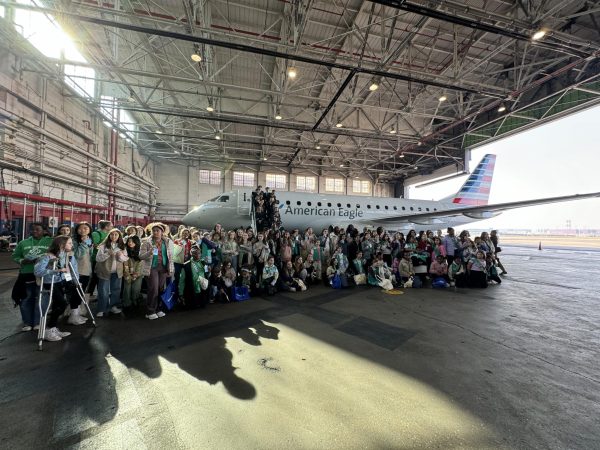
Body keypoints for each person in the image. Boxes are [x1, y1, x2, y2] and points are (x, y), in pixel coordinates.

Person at [33, 235, 78, 341]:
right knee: (62, 304)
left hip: (59, 282)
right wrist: (56, 271)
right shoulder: (47, 256)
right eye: (69, 243)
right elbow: (38, 271)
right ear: (61, 244)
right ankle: (48, 329)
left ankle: (53, 328)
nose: (72, 245)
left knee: (59, 304)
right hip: (50, 282)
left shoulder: (64, 255)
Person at [12, 223, 53, 332]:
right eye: (32, 230)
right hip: (26, 274)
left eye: (37, 229)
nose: (34, 231)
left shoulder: (51, 241)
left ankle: (37, 322)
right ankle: (27, 322)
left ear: (44, 231)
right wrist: (22, 261)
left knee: (41, 299)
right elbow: (15, 256)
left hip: (43, 275)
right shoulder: (23, 243)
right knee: (26, 298)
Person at [95, 228, 128, 317]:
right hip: (104, 271)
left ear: (119, 236)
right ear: (109, 236)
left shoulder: (122, 246)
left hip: (117, 272)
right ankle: (102, 309)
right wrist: (108, 254)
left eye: (116, 235)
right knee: (103, 290)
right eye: (112, 234)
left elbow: (125, 258)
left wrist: (120, 256)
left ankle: (113, 306)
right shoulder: (103, 246)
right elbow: (98, 258)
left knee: (116, 289)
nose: (113, 236)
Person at [70, 222, 94, 324]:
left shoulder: (89, 240)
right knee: (76, 293)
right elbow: (77, 255)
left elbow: (90, 255)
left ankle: (77, 314)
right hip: (76, 271)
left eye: (86, 228)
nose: (83, 230)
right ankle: (73, 316)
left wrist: (88, 244)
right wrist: (84, 244)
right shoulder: (73, 241)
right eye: (81, 228)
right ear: (77, 230)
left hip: (86, 270)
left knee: (81, 292)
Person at [87, 220, 112, 298]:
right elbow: (95, 245)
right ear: (106, 226)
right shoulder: (96, 234)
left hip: (106, 259)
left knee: (101, 278)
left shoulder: (108, 234)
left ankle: (100, 295)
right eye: (111, 226)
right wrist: (105, 250)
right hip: (96, 259)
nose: (112, 227)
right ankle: (88, 295)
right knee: (95, 278)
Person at [122, 235, 143, 313]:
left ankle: (135, 302)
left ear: (136, 242)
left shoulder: (141, 251)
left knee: (135, 289)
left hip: (138, 273)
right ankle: (126, 304)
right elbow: (124, 263)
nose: (130, 243)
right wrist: (127, 274)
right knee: (126, 289)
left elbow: (141, 263)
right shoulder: (124, 250)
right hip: (127, 273)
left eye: (132, 241)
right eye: (129, 241)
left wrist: (136, 274)